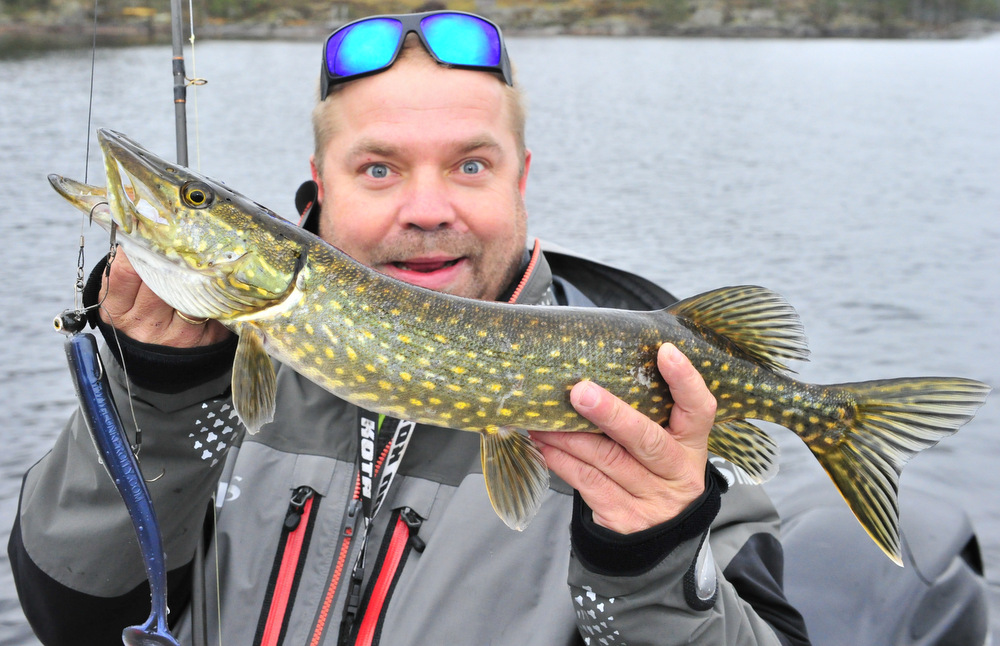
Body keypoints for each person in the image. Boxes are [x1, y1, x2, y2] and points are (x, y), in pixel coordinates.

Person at [10, 10, 810, 645]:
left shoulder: (668, 433)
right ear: (319, 183)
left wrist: (654, 562)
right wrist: (160, 398)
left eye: (470, 165)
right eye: (379, 169)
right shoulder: (225, 380)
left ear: (521, 179)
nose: (426, 210)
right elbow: (75, 619)